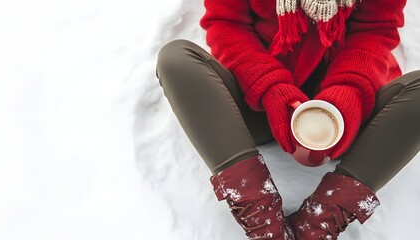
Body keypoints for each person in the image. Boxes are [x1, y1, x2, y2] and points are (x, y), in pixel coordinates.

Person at [155, 0, 420, 239]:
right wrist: (270, 88)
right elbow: (227, 24)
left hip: (347, 117)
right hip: (259, 104)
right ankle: (264, 223)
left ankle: (316, 225)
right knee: (176, 59)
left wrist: (348, 92)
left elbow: (375, 30)